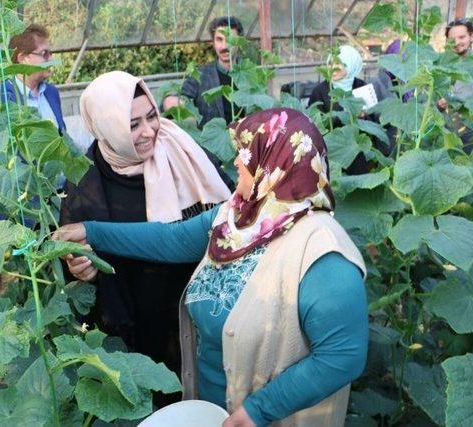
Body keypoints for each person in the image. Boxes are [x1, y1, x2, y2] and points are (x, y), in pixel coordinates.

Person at [55, 108, 368, 426]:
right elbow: (171, 239)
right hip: (209, 407)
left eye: (245, 155)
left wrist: (260, 410)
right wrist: (89, 231)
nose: (235, 164)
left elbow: (342, 355)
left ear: (275, 165)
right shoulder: (237, 217)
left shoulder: (323, 252)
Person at [59, 71, 231, 403]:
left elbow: (218, 218)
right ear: (106, 128)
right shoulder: (86, 179)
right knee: (151, 399)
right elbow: (74, 254)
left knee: (200, 396)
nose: (149, 130)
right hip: (135, 312)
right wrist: (80, 267)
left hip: (192, 304)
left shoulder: (182, 150)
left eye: (151, 116)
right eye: (132, 124)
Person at [309, 44, 389, 173]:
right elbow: (315, 125)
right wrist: (345, 115)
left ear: (352, 65)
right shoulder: (320, 91)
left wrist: (364, 117)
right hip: (332, 152)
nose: (333, 68)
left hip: (359, 151)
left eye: (340, 64)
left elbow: (375, 122)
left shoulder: (362, 86)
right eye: (331, 63)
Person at [163, 16, 244, 128]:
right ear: (213, 42)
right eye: (219, 39)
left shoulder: (250, 75)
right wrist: (173, 101)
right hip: (210, 144)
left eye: (230, 39)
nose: (225, 46)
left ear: (239, 41)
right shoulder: (200, 75)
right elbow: (179, 98)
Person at [1, 24, 66, 133]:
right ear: (23, 58)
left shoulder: (51, 92)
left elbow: (63, 137)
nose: (51, 59)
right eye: (44, 53)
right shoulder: (2, 97)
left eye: (50, 53)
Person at [438, 18, 473, 153]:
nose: (457, 42)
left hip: (469, 129)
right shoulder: (440, 64)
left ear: (471, 36)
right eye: (452, 39)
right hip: (445, 128)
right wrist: (438, 103)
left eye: (462, 37)